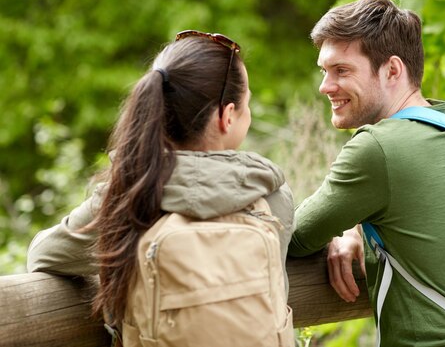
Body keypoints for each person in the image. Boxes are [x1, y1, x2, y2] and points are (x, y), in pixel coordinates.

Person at [27, 30, 294, 345]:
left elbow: (43, 256)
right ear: (227, 117)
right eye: (246, 104)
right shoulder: (270, 194)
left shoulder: (129, 193)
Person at [288, 0, 445, 347]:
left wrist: (339, 229)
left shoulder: (378, 147)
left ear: (392, 70)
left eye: (341, 70)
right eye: (324, 71)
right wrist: (356, 227)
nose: (324, 86)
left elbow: (295, 237)